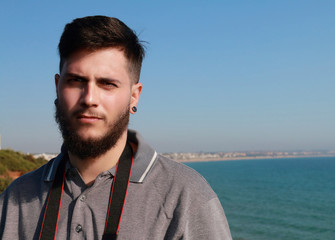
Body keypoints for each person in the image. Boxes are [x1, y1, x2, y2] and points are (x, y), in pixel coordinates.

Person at [0, 16, 232, 239]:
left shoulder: (185, 197)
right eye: (76, 81)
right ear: (57, 86)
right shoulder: (15, 199)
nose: (89, 98)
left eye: (107, 84)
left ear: (134, 96)